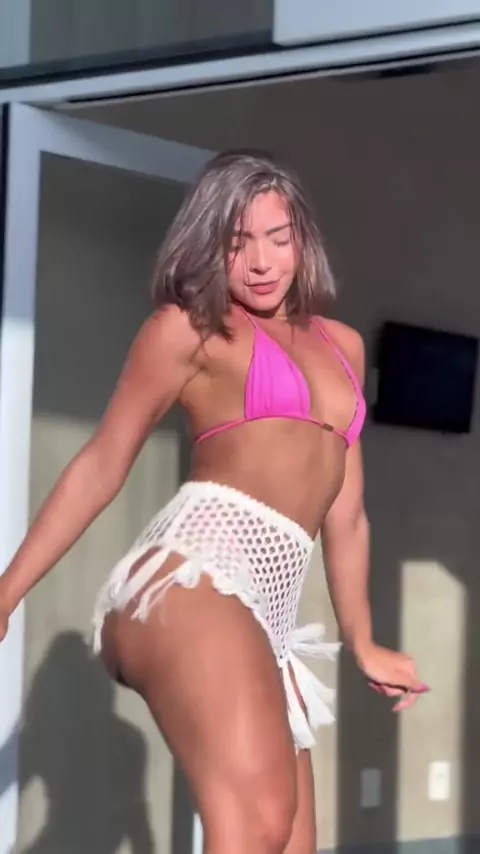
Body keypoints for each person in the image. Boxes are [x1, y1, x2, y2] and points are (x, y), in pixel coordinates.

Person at [0, 150, 428, 854]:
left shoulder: (343, 346)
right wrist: (8, 591)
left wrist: (363, 639)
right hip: (195, 575)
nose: (260, 262)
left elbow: (346, 514)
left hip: (273, 606)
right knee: (257, 821)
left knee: (288, 842)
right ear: (207, 244)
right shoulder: (188, 329)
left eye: (278, 238)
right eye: (237, 242)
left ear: (302, 240)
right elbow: (103, 462)